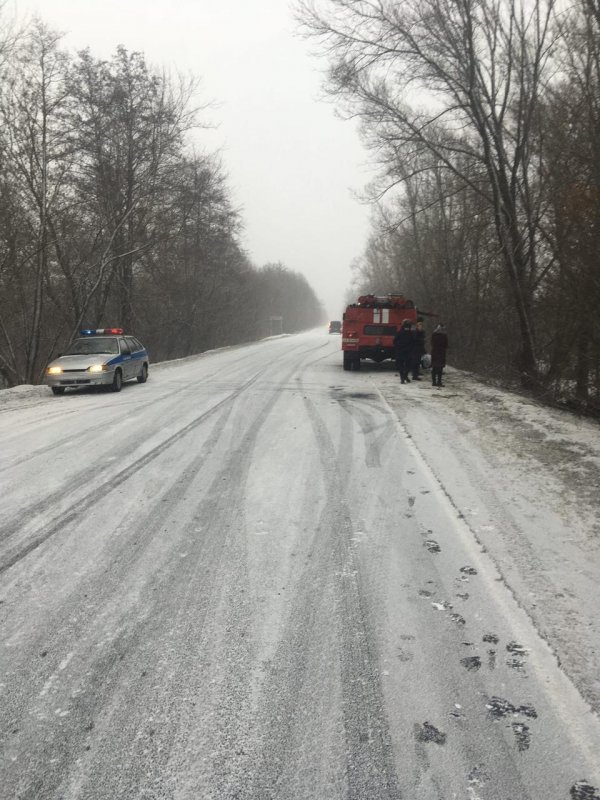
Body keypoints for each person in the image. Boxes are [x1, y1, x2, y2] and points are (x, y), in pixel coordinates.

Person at [393, 319, 415, 384]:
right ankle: (404, 377)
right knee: (407, 365)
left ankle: (403, 378)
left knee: (401, 365)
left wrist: (398, 346)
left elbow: (395, 341)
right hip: (407, 351)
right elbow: (413, 342)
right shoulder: (410, 333)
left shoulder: (400, 332)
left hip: (401, 351)